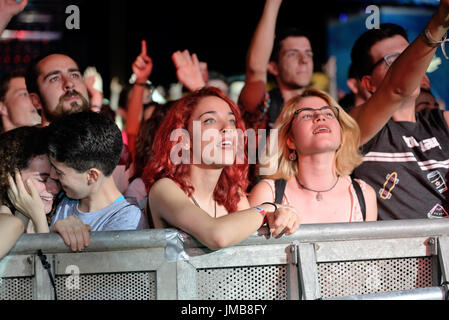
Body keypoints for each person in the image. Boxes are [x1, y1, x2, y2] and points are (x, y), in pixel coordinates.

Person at [143, 87, 300, 250]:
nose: (227, 127)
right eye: (210, 120)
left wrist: (280, 214)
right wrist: (267, 209)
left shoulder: (232, 193)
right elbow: (217, 236)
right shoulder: (164, 189)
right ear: (184, 139)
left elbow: (251, 251)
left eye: (232, 121)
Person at [350, 1, 449, 220]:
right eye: (395, 61)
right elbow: (396, 88)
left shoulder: (442, 122)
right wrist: (439, 22)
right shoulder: (356, 125)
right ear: (368, 84)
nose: (413, 67)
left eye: (410, 56)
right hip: (404, 252)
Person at [249, 88, 378, 223]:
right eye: (307, 115)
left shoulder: (364, 196)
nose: (320, 117)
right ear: (290, 140)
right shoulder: (268, 194)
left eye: (329, 114)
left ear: (341, 134)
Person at [0, 126, 90, 258]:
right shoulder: (7, 220)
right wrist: (38, 219)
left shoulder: (55, 217)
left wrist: (39, 220)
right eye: (43, 179)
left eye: (57, 180)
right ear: (10, 175)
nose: (54, 189)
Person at [47, 111, 146, 231]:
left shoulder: (127, 219)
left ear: (92, 176)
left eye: (59, 172)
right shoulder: (60, 197)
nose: (52, 175)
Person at [239, 0, 314, 130]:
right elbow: (255, 70)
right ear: (273, 67)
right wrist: (272, 5)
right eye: (292, 54)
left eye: (308, 54)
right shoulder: (264, 106)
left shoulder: (320, 107)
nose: (304, 60)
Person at [25, 53, 91, 127]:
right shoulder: (20, 138)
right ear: (36, 100)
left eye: (74, 75)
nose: (69, 83)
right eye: (55, 79)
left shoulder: (104, 135)